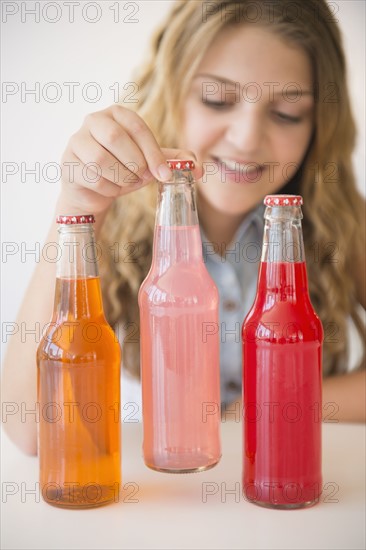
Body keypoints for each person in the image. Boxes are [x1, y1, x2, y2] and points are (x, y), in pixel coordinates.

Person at [2, 0, 365, 455]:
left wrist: (261, 406)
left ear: (319, 125)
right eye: (217, 99)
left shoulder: (342, 224)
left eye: (287, 113)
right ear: (169, 92)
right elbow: (30, 429)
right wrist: (79, 209)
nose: (247, 139)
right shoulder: (115, 227)